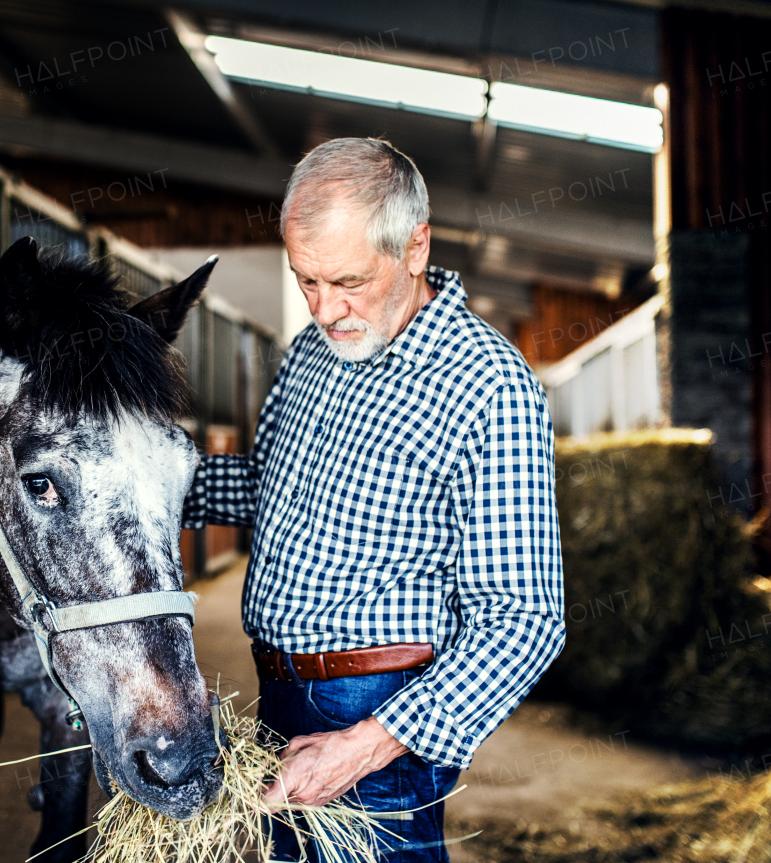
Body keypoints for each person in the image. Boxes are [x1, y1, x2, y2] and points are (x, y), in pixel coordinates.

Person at [182, 137, 565, 862]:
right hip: (280, 699)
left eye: (349, 280)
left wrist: (364, 747)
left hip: (382, 724)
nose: (326, 310)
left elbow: (524, 622)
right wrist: (152, 483)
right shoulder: (311, 355)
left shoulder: (489, 388)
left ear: (415, 246)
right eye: (308, 281)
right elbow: (274, 490)